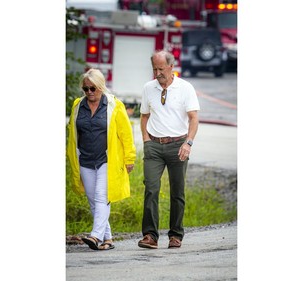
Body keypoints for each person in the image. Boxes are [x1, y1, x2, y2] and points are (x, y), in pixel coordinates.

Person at [67, 68, 136, 251]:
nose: (89, 92)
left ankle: (96, 236)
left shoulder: (114, 105)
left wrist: (130, 158)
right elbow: (73, 134)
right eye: (86, 88)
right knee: (93, 201)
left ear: (101, 87)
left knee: (101, 197)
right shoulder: (77, 106)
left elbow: (126, 134)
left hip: (107, 159)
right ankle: (108, 238)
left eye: (93, 88)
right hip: (85, 160)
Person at [138, 50, 200, 249]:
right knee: (151, 189)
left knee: (177, 192)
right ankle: (150, 235)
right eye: (154, 69)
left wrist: (188, 143)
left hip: (178, 145)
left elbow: (193, 118)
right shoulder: (148, 88)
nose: (157, 73)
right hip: (154, 146)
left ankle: (175, 236)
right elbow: (144, 116)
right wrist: (146, 140)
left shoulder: (185, 88)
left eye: (161, 69)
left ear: (171, 66)